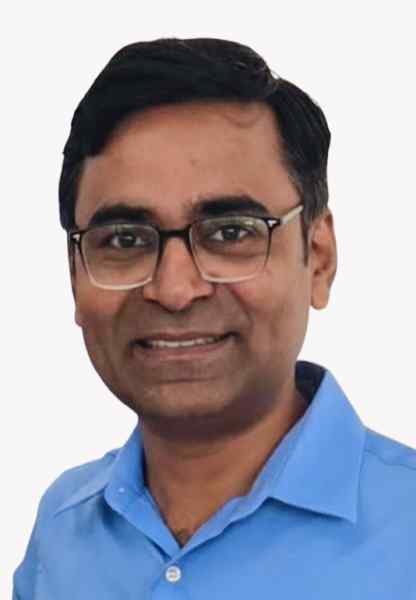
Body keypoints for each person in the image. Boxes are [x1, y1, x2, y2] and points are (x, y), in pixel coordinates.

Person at [13, 37, 416, 599]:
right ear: (75, 275)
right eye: (124, 240)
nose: (175, 291)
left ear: (319, 257)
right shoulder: (63, 530)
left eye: (230, 233)